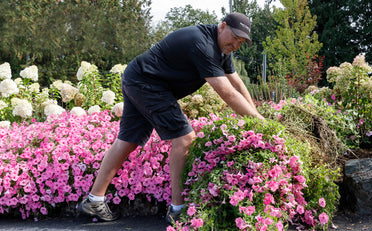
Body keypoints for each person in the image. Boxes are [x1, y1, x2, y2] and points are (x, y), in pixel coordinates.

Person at [78, 12, 264, 223]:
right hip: (147, 82)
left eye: (241, 42)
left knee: (127, 141)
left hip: (138, 78)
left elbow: (238, 85)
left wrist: (255, 116)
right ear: (222, 26)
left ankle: (94, 200)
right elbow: (227, 93)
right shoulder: (202, 43)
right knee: (184, 139)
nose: (236, 45)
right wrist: (260, 123)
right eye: (234, 38)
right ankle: (178, 210)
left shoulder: (222, 50)